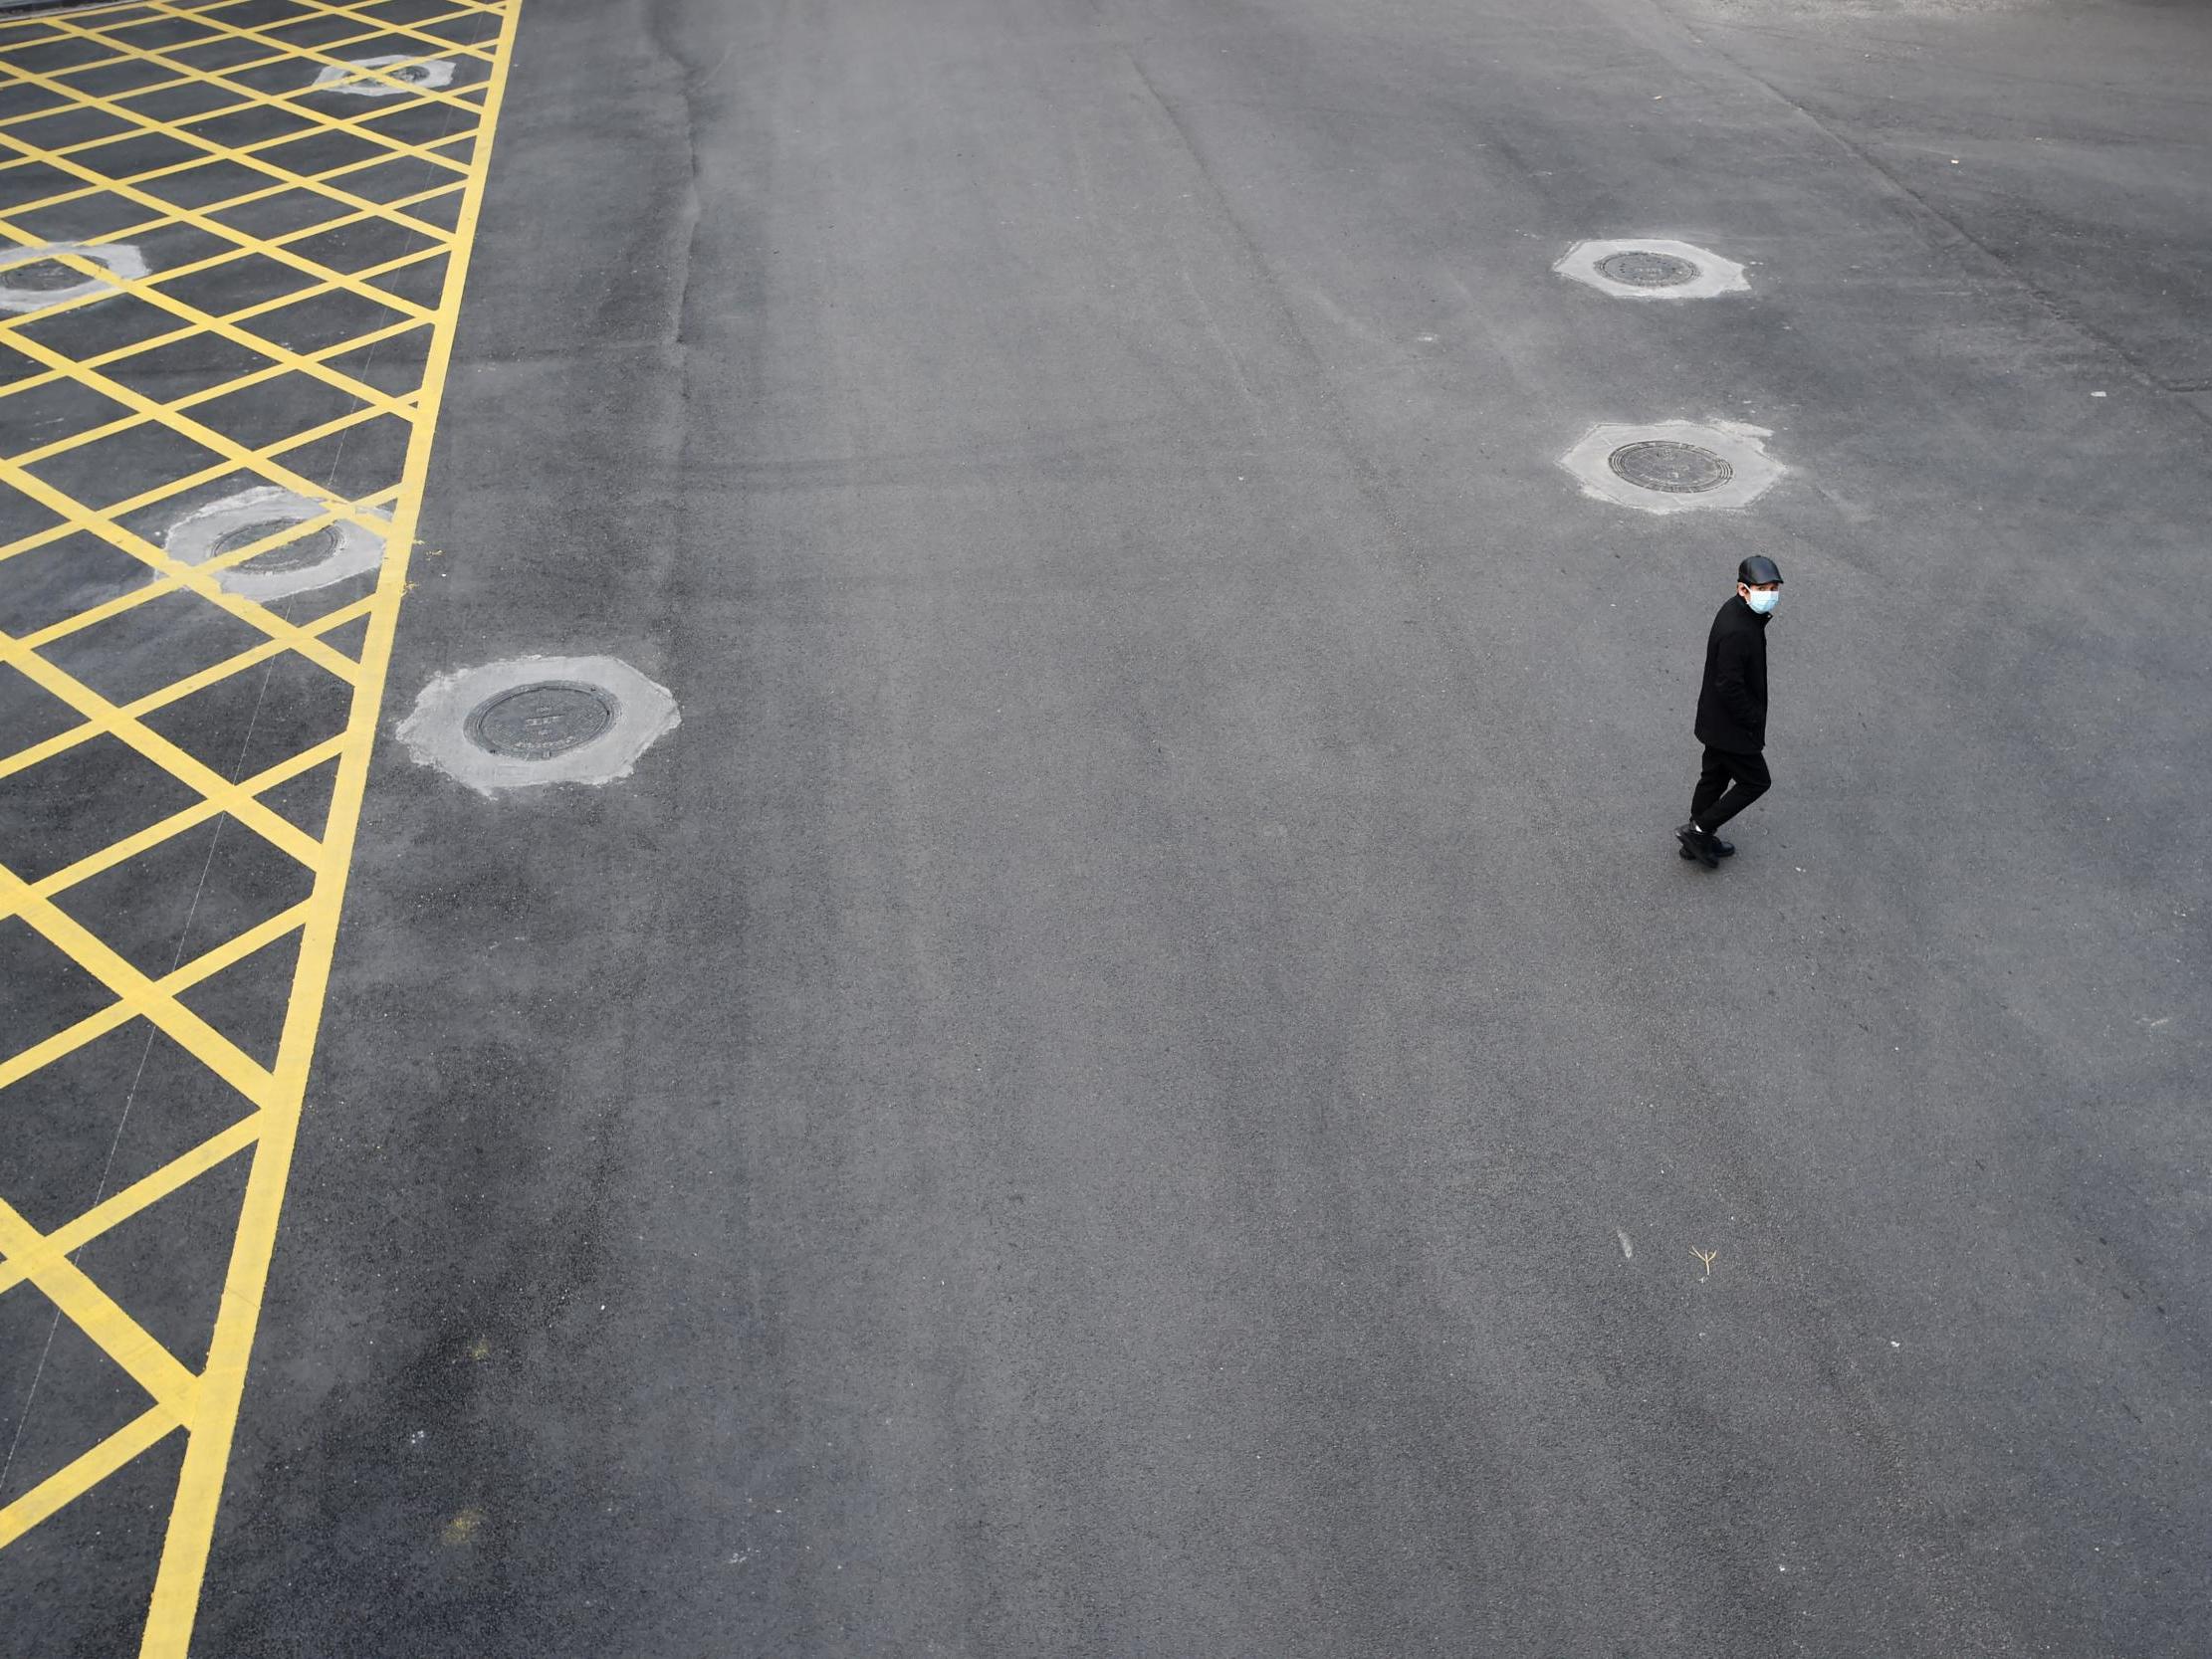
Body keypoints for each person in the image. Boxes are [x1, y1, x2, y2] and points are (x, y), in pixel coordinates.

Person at [1676, 556, 1782, 869]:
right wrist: (1752, 718)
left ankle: (1696, 841)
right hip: (1732, 727)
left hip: (1715, 720)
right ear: (1743, 589)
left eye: (1774, 587)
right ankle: (1699, 830)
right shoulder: (1739, 630)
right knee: (1756, 781)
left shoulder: (1737, 611)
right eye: (1763, 588)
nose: (1771, 593)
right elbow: (1729, 684)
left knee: (1714, 776)